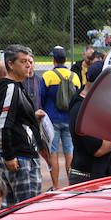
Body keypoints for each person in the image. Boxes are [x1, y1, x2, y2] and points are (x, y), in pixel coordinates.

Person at [0, 44, 47, 207]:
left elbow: (12, 116)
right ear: (10, 64)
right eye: (23, 61)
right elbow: (3, 123)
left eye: (30, 61)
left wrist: (31, 116)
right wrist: (9, 156)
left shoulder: (15, 86)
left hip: (21, 156)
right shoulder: (9, 87)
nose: (28, 65)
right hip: (19, 158)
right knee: (26, 210)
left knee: (12, 209)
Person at [67, 60, 111, 185]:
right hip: (87, 179)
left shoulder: (96, 103)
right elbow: (99, 149)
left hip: (103, 176)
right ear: (101, 84)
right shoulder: (80, 109)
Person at [40, 46, 80, 190]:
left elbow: (41, 97)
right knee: (69, 151)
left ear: (54, 59)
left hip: (52, 120)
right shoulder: (74, 77)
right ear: (65, 59)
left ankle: (56, 186)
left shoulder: (48, 76)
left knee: (54, 152)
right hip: (69, 119)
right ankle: (71, 186)